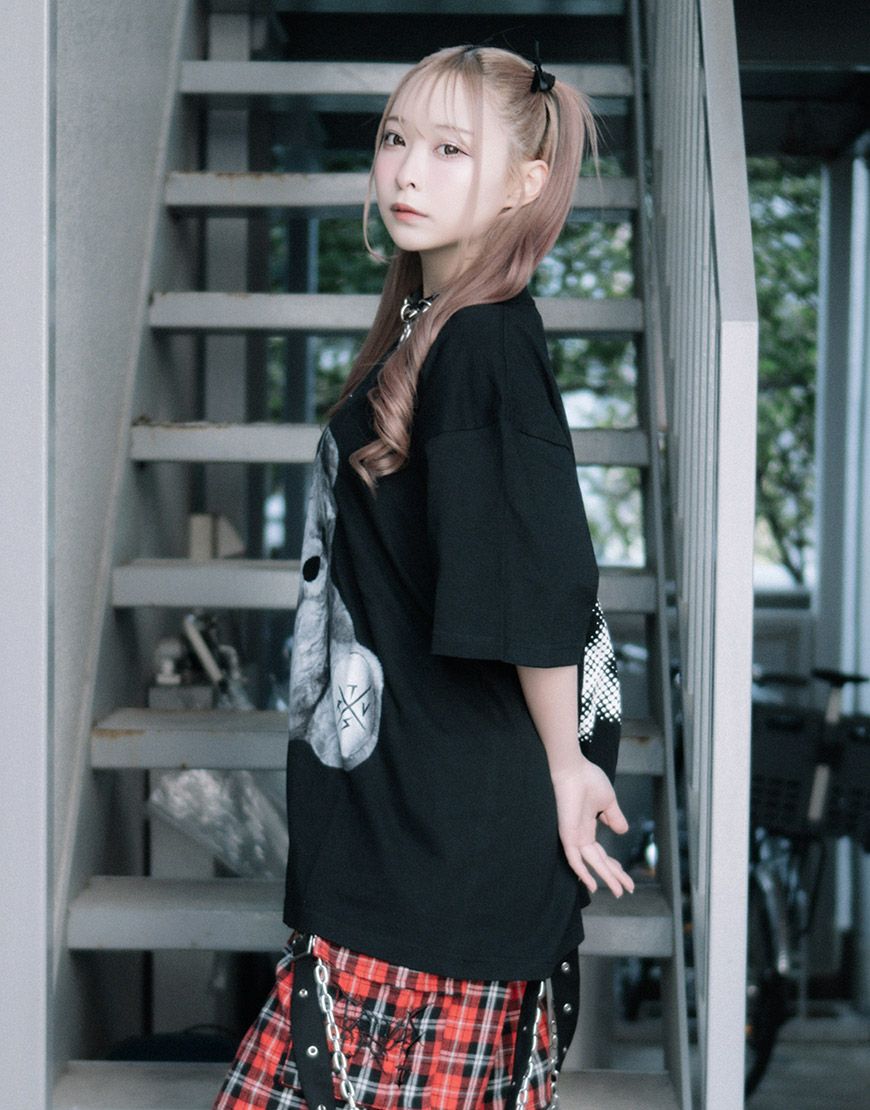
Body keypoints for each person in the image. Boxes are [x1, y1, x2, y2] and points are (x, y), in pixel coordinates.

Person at [214, 43, 634, 1110]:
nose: (406, 170)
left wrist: (569, 766)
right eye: (396, 138)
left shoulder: (483, 345)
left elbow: (535, 582)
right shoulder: (433, 328)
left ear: (525, 182)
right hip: (401, 825)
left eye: (451, 149)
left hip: (445, 848)